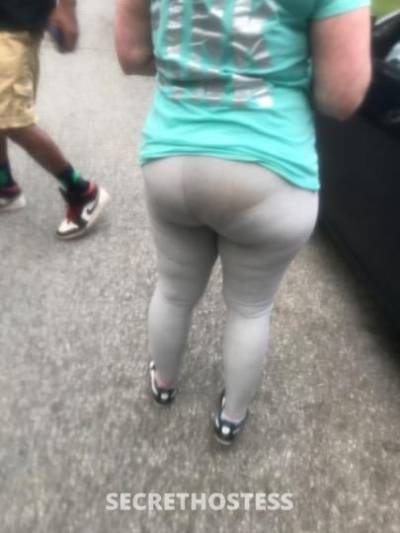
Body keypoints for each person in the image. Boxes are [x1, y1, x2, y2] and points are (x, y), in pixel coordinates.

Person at [115, 0, 371, 445]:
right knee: (250, 307)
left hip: (172, 157)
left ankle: (164, 383)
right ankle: (230, 417)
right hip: (271, 169)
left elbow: (132, 55)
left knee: (174, 289)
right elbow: (341, 95)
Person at [0, 0, 110, 239]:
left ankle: (82, 192)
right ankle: (4, 186)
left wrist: (67, 8)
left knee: (14, 121)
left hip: (13, 27)